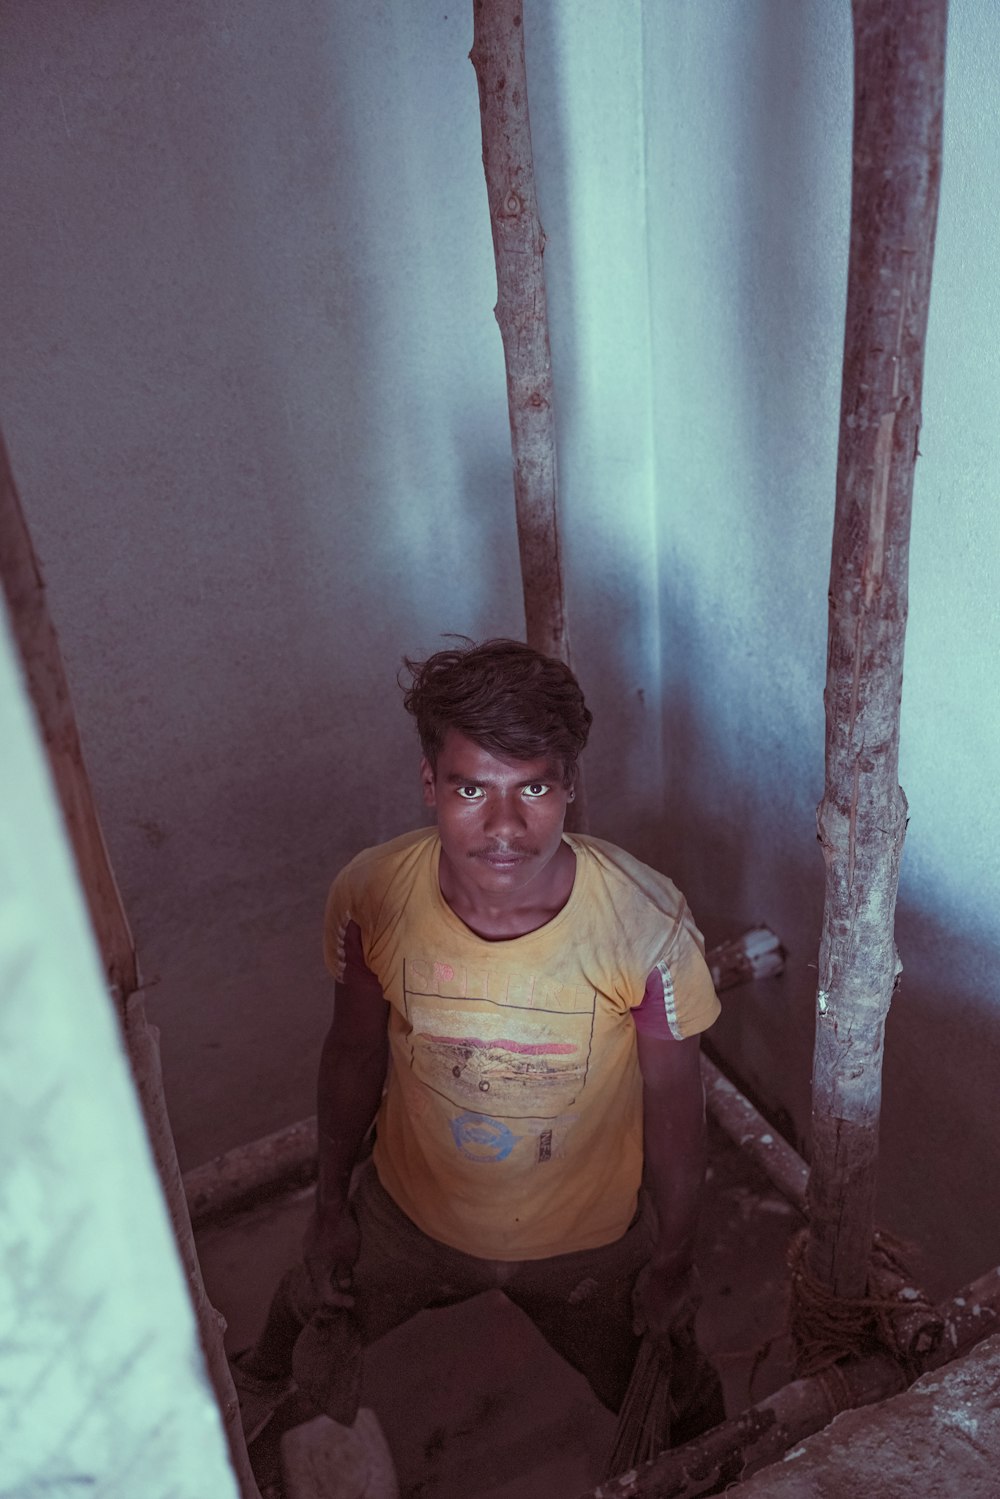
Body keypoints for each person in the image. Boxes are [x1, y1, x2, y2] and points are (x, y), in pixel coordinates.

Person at [235, 638, 724, 1446]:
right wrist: (329, 1204)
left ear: (570, 786)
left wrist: (673, 1259)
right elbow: (354, 1051)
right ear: (430, 784)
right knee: (306, 1300)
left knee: (675, 1388)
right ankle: (254, 1384)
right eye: (472, 788)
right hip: (411, 1215)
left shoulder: (645, 925)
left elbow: (676, 1105)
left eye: (534, 786)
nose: (505, 826)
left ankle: (738, 1465)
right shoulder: (373, 897)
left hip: (587, 1246)